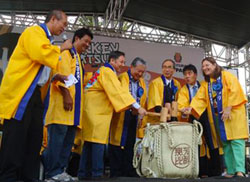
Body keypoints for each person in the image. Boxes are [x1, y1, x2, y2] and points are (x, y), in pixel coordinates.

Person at [0, 9, 72, 182]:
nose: (65, 28)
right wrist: (62, 48)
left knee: (34, 140)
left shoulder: (48, 40)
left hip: (35, 95)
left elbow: (39, 69)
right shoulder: (34, 32)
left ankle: (28, 177)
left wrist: (55, 76)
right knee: (16, 138)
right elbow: (39, 53)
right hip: (21, 94)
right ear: (53, 19)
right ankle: (8, 177)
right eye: (64, 24)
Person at [78, 51, 147, 180]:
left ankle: (84, 174)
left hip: (93, 110)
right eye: (121, 62)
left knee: (88, 143)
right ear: (112, 60)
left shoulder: (104, 71)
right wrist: (137, 107)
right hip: (97, 112)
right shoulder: (107, 71)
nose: (122, 65)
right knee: (97, 143)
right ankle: (96, 174)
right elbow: (119, 92)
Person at [42, 28, 93, 182]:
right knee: (56, 142)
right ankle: (51, 174)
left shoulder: (78, 58)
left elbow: (77, 81)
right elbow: (58, 74)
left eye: (89, 43)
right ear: (76, 38)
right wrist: (65, 94)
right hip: (61, 108)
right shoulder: (66, 53)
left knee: (67, 144)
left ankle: (61, 171)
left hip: (73, 113)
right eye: (85, 41)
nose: (87, 45)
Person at [185, 57, 248, 178]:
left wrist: (229, 107)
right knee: (226, 143)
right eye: (203, 66)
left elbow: (235, 91)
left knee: (236, 141)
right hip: (220, 118)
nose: (205, 68)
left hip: (233, 114)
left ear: (214, 65)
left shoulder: (227, 76)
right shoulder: (207, 84)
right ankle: (230, 170)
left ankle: (240, 170)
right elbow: (200, 98)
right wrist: (191, 108)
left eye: (207, 65)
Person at [178, 64, 223, 177]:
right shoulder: (183, 90)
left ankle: (216, 171)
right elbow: (181, 104)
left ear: (195, 74)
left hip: (207, 116)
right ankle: (197, 171)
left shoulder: (204, 85)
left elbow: (212, 97)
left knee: (211, 142)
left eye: (189, 73)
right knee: (195, 144)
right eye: (185, 75)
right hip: (192, 117)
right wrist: (184, 108)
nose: (187, 77)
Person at [109, 57, 147, 177]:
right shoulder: (122, 78)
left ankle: (128, 170)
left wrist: (138, 110)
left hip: (134, 116)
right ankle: (115, 172)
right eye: (138, 71)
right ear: (131, 67)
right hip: (121, 114)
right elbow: (123, 95)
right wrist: (135, 107)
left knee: (130, 143)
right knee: (117, 142)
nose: (140, 74)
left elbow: (142, 97)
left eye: (142, 72)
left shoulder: (141, 81)